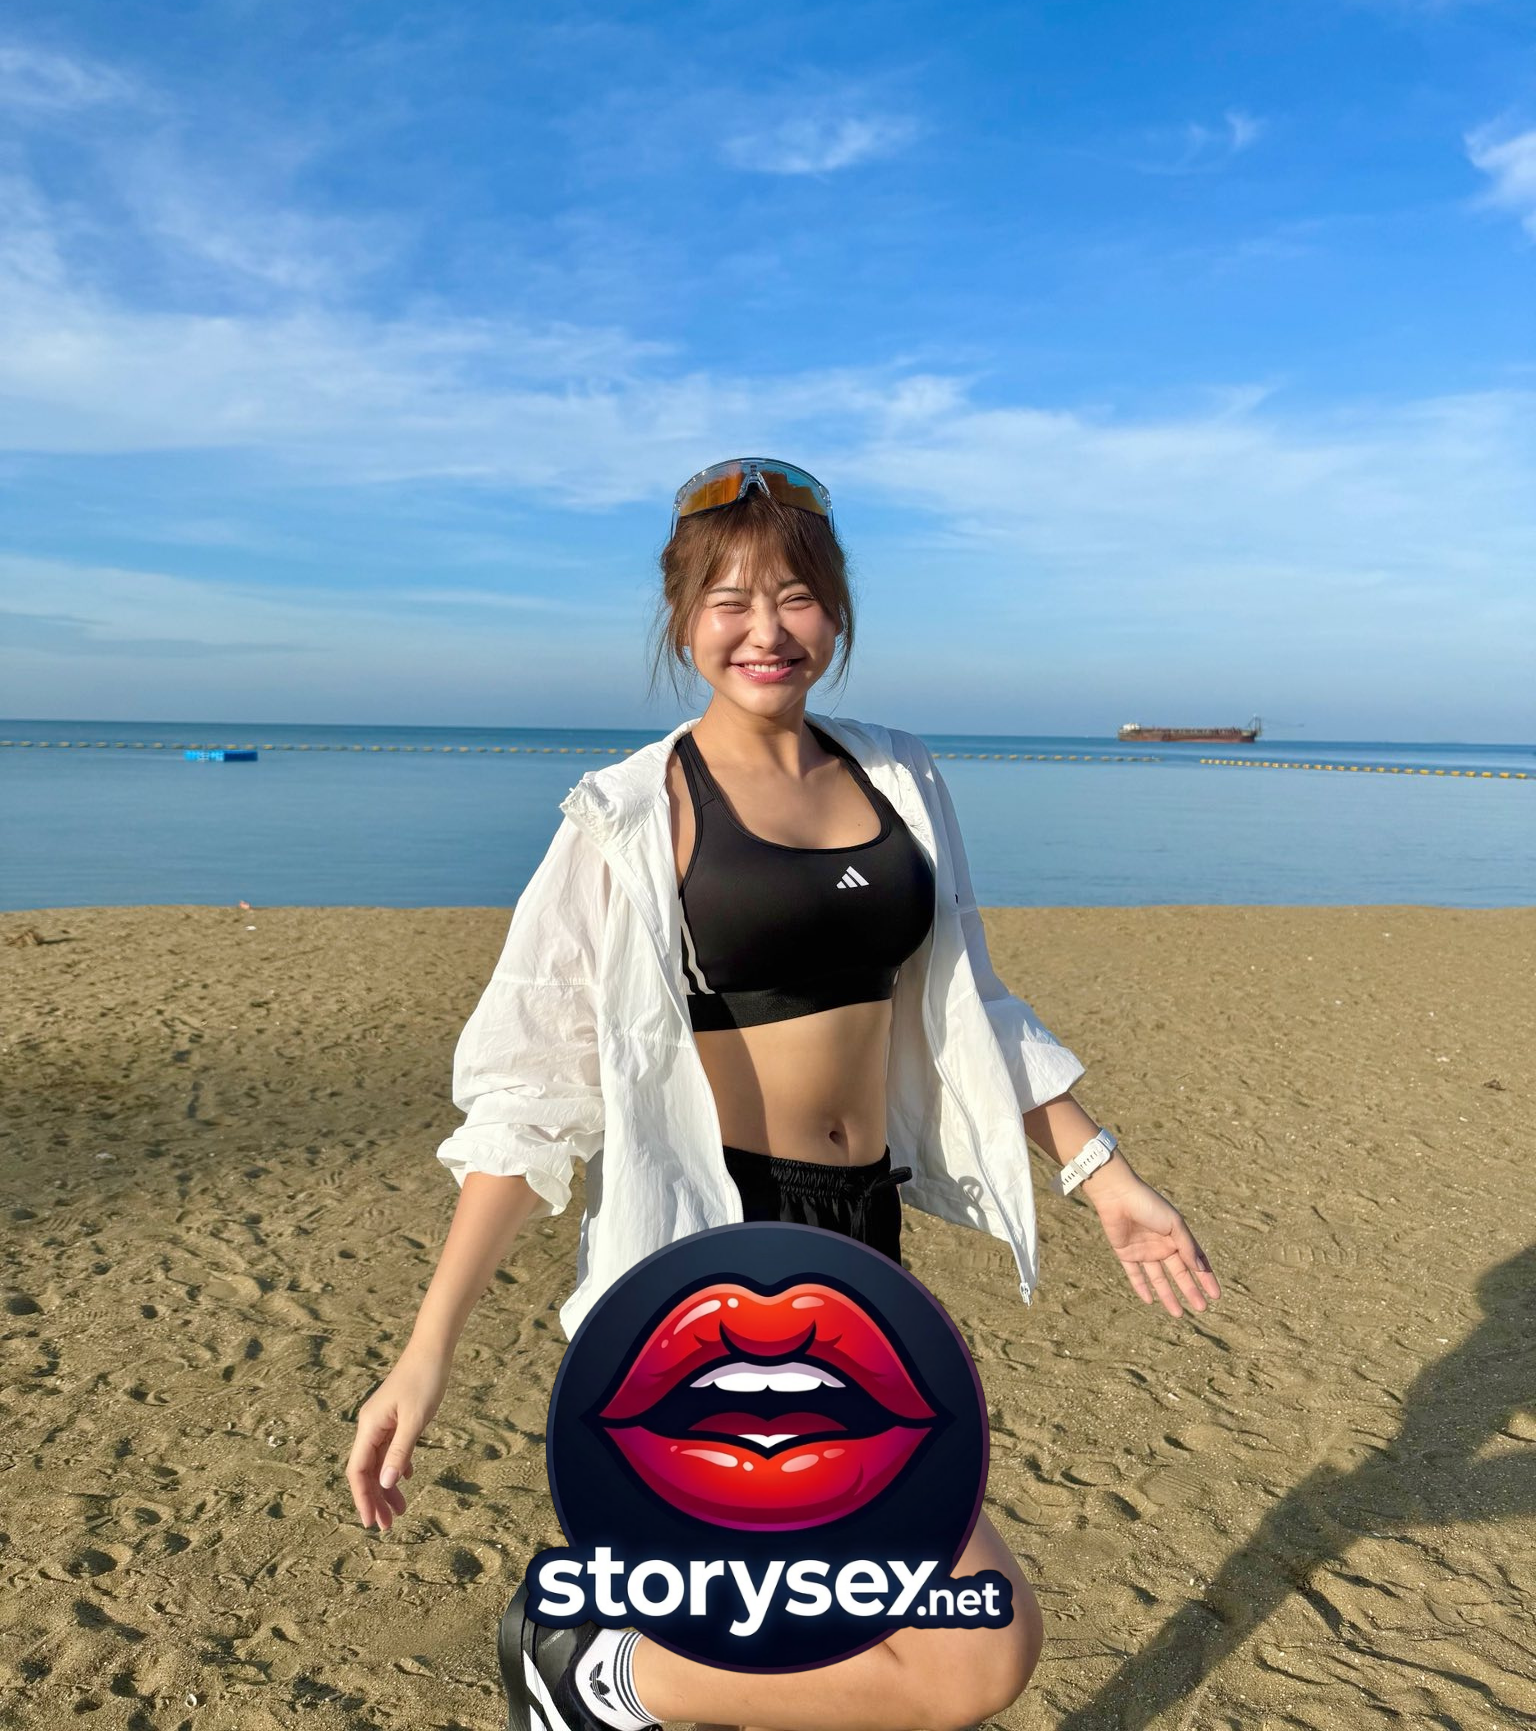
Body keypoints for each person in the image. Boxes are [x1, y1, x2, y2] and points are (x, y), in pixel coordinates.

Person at [345, 455, 1221, 1731]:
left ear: (839, 610)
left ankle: (615, 1669)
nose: (766, 629)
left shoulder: (901, 776)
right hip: (715, 1256)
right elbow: (532, 1099)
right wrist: (425, 1353)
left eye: (797, 596)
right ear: (681, 620)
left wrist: (1104, 1176)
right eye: (730, 600)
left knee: (845, 1614)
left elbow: (969, 1002)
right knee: (975, 1651)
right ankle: (592, 1669)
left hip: (863, 1238)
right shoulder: (626, 815)